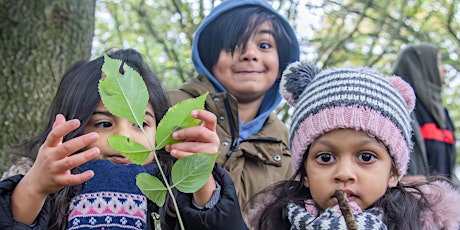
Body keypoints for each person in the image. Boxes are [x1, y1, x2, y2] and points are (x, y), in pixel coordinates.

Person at [0, 49, 247, 230]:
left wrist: (200, 178)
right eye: (104, 124)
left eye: (141, 124)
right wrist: (34, 188)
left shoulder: (174, 194)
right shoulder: (48, 194)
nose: (124, 137)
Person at [247, 61, 460, 229]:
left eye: (366, 157)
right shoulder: (275, 223)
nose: (344, 173)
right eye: (325, 158)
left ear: (394, 172)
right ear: (305, 174)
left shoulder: (426, 225)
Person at [167, 0, 300, 215]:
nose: (250, 54)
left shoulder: (292, 145)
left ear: (282, 63)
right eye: (234, 44)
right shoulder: (165, 108)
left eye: (264, 45)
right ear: (210, 58)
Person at [393, 43, 457, 179]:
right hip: (410, 198)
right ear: (425, 66)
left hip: (444, 198)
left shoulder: (444, 115)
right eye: (439, 62)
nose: (444, 69)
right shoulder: (402, 112)